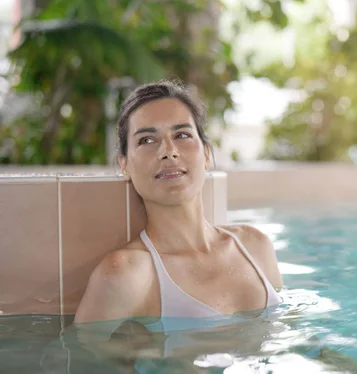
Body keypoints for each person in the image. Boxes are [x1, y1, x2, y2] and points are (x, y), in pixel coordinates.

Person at [74, 79, 283, 330]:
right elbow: (78, 361)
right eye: (147, 140)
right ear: (124, 165)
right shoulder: (127, 275)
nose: (168, 151)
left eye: (182, 134)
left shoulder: (255, 246)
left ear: (206, 154)